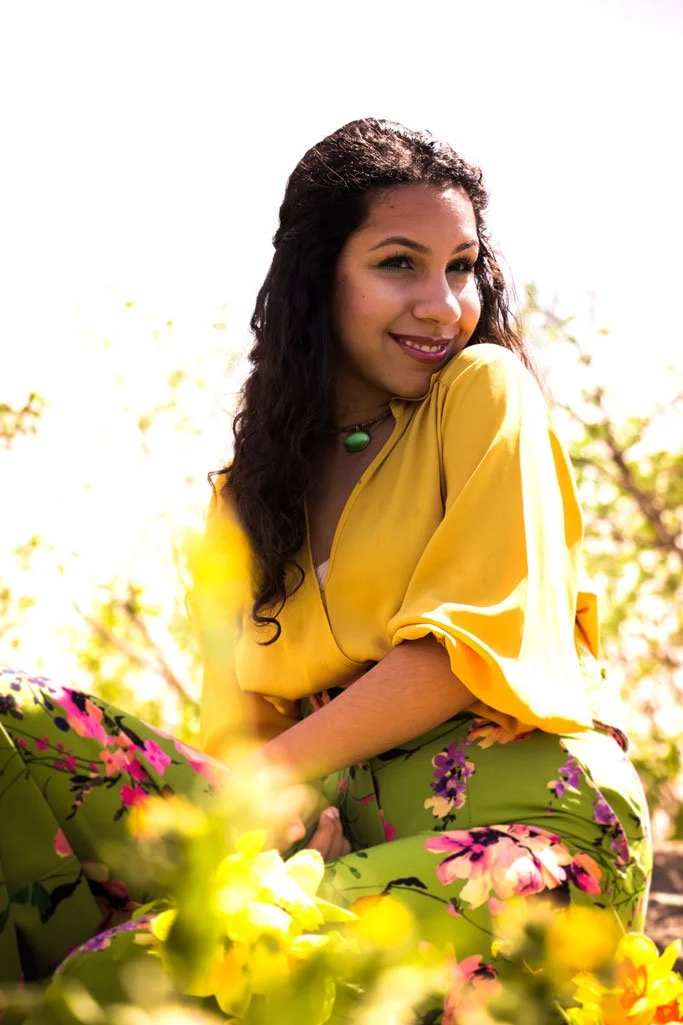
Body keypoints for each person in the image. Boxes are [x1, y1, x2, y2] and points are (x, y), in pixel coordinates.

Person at [0, 119, 652, 1005]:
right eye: (398, 264)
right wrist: (281, 824)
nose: (442, 304)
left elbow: (459, 653)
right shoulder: (247, 496)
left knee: (130, 972)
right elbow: (238, 739)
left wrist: (261, 792)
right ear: (318, 278)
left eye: (460, 267)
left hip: (524, 840)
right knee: (12, 717)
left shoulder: (483, 393)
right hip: (323, 841)